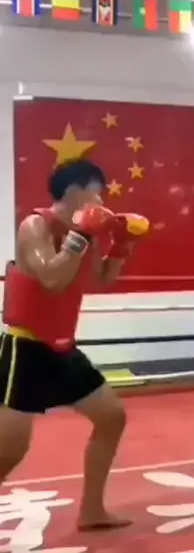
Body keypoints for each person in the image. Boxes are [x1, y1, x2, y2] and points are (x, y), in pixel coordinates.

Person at [0, 158, 149, 530]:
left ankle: (92, 511)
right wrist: (80, 236)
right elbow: (51, 278)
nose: (101, 201)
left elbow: (101, 281)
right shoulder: (35, 226)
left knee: (112, 417)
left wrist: (121, 246)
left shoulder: (88, 234)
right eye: (96, 193)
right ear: (72, 190)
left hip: (62, 348)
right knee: (9, 452)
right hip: (25, 349)